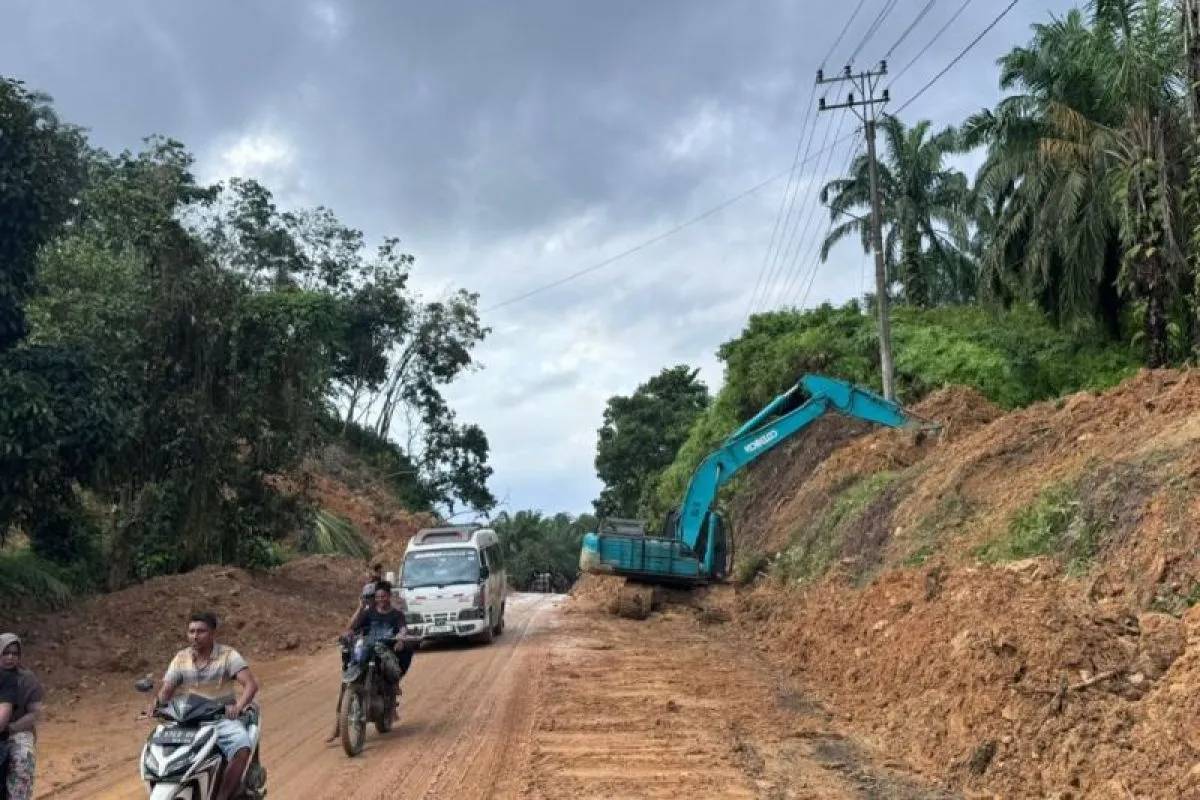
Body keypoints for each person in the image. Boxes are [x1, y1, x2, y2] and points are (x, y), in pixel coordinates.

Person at [147, 612, 259, 800]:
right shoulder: (181, 657)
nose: (195, 636)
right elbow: (166, 690)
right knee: (157, 746)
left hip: (220, 718)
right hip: (187, 720)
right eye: (191, 631)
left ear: (213, 633)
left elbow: (250, 685)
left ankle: (223, 796)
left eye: (201, 631)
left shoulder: (228, 655)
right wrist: (156, 705)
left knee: (241, 747)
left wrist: (238, 706)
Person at [0, 635, 43, 800]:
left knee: (22, 758)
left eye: (15, 653)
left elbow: (35, 713)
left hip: (18, 731)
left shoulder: (27, 679)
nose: (10, 657)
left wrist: (12, 728)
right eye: (5, 653)